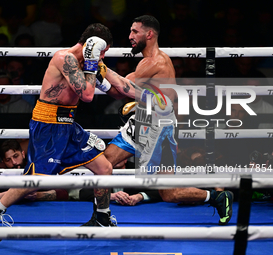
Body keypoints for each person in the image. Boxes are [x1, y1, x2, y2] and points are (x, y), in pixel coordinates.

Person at [94, 15, 233, 225]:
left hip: (158, 130)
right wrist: (95, 71)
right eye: (130, 31)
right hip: (139, 124)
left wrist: (99, 66)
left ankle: (216, 197)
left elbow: (123, 87)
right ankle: (102, 217)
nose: (130, 36)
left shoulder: (157, 62)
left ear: (149, 34)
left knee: (170, 194)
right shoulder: (144, 64)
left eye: (135, 32)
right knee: (102, 164)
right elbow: (117, 91)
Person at [0, 23, 116, 230]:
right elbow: (87, 95)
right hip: (48, 124)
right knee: (36, 180)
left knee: (104, 168)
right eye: (102, 52)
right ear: (92, 45)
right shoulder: (65, 58)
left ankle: (102, 218)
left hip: (69, 124)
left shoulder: (87, 64)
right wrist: (91, 63)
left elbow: (111, 87)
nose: (102, 57)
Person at [0, 140, 68, 202]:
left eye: (15, 156)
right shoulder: (2, 175)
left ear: (23, 154)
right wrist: (0, 196)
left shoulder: (36, 169)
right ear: (3, 162)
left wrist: (37, 195)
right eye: (8, 160)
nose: (14, 162)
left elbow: (63, 193)